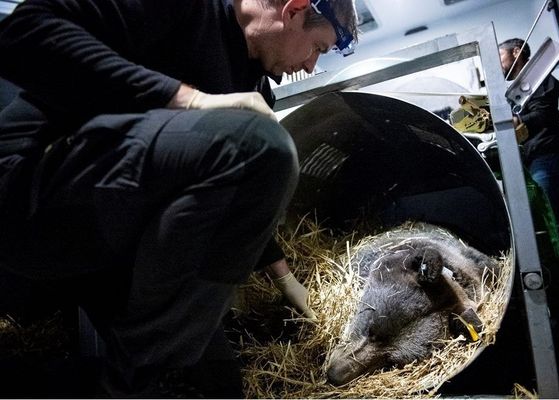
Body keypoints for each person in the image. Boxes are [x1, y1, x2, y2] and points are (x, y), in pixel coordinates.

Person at [0, 0, 358, 396]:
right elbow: (22, 33)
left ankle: (134, 377)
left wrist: (283, 276)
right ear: (293, 10)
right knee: (261, 147)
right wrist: (190, 100)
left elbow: (236, 194)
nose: (310, 66)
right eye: (317, 48)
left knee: (214, 387)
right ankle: (142, 373)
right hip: (31, 185)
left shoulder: (255, 88)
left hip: (115, 242)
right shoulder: (187, 9)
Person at [498, 38, 559, 309]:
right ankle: (555, 285)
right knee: (536, 219)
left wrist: (517, 120)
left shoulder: (542, 81)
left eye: (500, 55)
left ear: (517, 52)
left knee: (548, 217)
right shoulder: (517, 92)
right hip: (531, 159)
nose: (499, 63)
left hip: (547, 157)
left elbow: (543, 114)